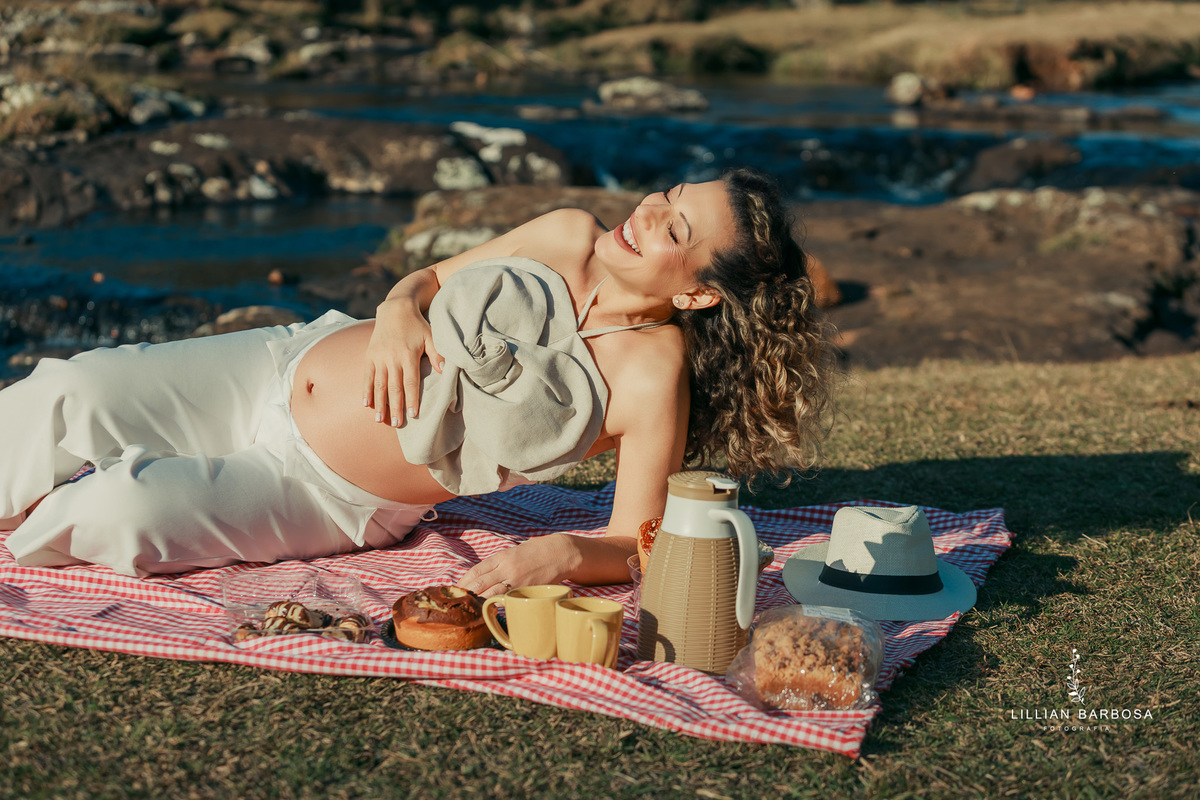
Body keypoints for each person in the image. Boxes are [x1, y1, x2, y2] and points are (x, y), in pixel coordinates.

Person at [0, 168, 836, 596]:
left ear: (697, 293)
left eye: (675, 227)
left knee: (123, 509)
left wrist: (557, 554)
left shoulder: (652, 376)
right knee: (70, 390)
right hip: (276, 364)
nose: (647, 211)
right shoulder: (567, 232)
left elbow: (635, 541)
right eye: (668, 193)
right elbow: (429, 280)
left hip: (323, 495)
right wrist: (399, 310)